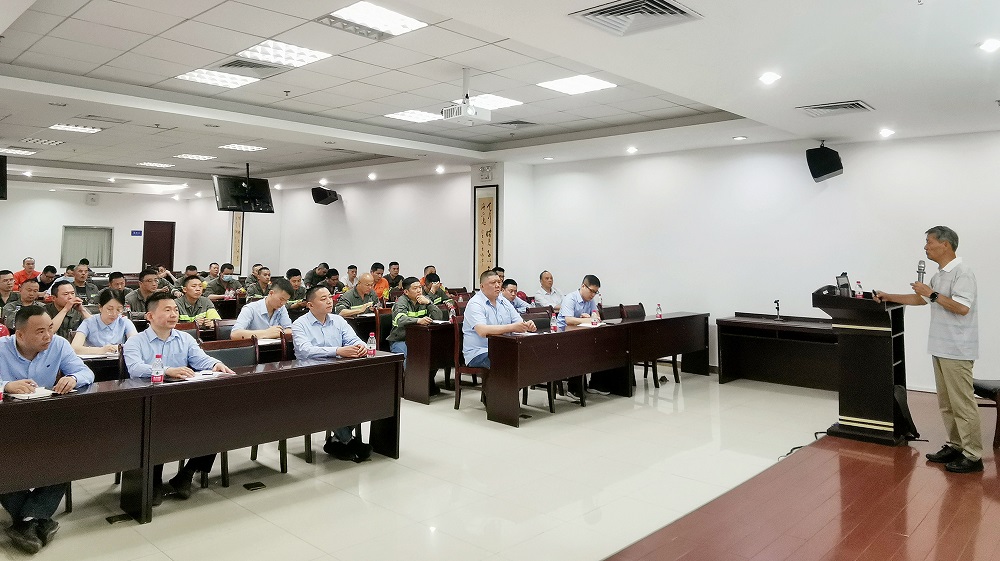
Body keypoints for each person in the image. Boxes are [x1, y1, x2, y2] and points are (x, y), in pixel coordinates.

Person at [873, 226, 982, 474]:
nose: (925, 247)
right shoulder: (940, 274)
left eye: (929, 242)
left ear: (945, 244)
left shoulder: (963, 272)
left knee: (962, 404)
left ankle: (973, 455)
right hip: (941, 347)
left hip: (957, 349)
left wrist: (931, 294)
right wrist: (888, 296)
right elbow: (920, 299)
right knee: (946, 403)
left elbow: (962, 307)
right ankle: (956, 445)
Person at [0, 306, 94, 554]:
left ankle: (27, 521)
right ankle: (37, 520)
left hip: (45, 422)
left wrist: (74, 378)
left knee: (69, 453)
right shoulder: (1, 348)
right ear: (20, 335)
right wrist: (6, 385)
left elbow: (85, 371)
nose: (48, 336)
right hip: (6, 424)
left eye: (50, 328)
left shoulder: (59, 344)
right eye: (40, 331)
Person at [124, 292, 235, 502]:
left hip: (182, 400)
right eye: (167, 310)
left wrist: (215, 364)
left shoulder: (184, 338)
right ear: (150, 316)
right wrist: (167, 370)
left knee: (217, 422)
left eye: (175, 310)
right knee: (158, 429)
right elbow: (135, 368)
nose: (174, 314)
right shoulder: (135, 342)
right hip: (150, 403)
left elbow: (200, 359)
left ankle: (187, 474)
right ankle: (153, 480)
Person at [291, 285, 374, 462]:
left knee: (366, 395)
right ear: (310, 305)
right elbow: (306, 350)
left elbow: (354, 340)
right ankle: (349, 441)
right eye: (323, 299)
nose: (329, 301)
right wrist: (337, 350)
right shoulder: (299, 324)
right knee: (332, 398)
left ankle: (337, 441)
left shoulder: (338, 321)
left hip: (338, 374)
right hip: (310, 377)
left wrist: (361, 347)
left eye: (330, 297)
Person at [463, 270, 536, 368]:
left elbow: (519, 322)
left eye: (499, 282)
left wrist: (527, 325)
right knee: (510, 360)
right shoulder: (475, 304)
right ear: (482, 286)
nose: (497, 285)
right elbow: (482, 331)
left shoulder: (503, 301)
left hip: (502, 348)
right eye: (493, 283)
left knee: (532, 353)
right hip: (480, 352)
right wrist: (512, 327)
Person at [388, 277, 445, 392]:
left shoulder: (424, 299)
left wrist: (429, 303)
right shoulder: (401, 302)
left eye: (420, 287)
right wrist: (418, 320)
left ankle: (427, 382)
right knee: (408, 357)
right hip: (401, 339)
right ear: (406, 291)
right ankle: (409, 387)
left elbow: (439, 317)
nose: (419, 290)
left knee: (436, 354)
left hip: (419, 339)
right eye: (415, 288)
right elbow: (400, 319)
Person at [71, 289, 138, 355]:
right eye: (109, 309)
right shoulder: (89, 323)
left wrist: (119, 348)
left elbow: (137, 344)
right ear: (100, 307)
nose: (114, 314)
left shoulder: (124, 322)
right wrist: (101, 350)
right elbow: (74, 348)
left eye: (118, 309)